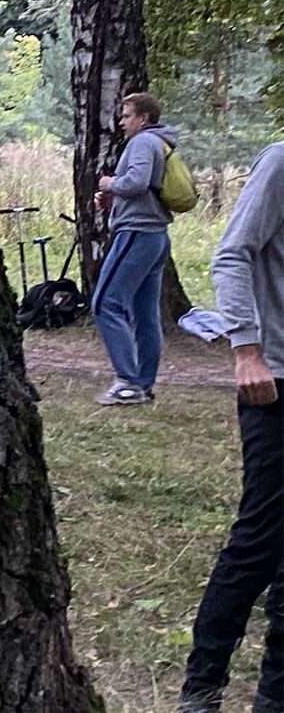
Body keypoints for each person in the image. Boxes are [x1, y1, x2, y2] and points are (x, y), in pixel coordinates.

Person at [179, 140, 284, 713]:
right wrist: (247, 348)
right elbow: (231, 254)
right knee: (260, 539)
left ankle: (274, 696)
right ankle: (202, 686)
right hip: (275, 381)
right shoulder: (282, 162)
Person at [92, 91, 179, 406]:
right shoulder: (161, 143)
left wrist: (109, 185)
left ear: (144, 118)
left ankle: (128, 382)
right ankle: (143, 384)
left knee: (105, 303)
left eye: (127, 115)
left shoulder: (143, 142)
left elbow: (137, 182)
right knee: (145, 314)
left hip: (137, 234)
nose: (121, 121)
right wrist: (114, 200)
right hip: (155, 237)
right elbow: (144, 187)